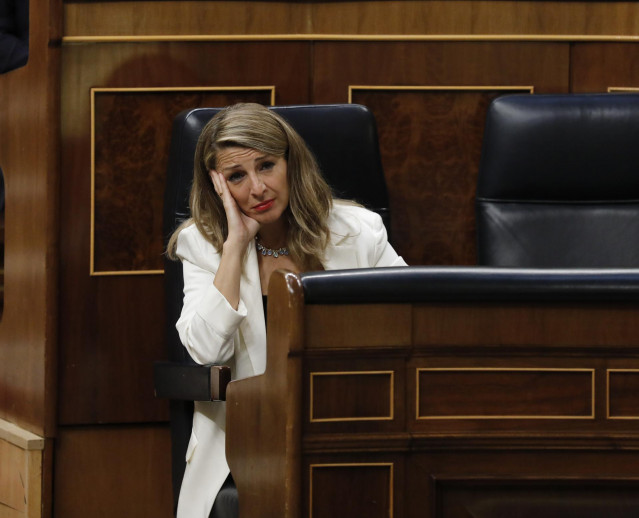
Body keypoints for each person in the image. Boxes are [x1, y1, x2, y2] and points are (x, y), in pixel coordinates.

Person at [166, 103, 407, 518]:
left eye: (266, 166)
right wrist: (235, 246)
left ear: (291, 164)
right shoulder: (204, 245)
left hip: (349, 425)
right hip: (246, 441)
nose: (257, 188)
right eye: (237, 176)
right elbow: (205, 352)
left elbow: (409, 322)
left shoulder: (358, 232)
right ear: (217, 186)